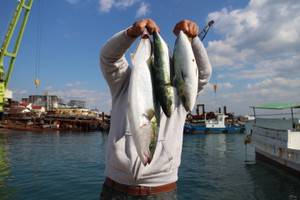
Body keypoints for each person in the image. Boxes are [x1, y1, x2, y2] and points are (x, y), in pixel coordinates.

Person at [99, 19, 212, 200]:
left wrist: (194, 39)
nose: (156, 65)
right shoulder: (124, 82)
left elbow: (203, 74)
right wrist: (132, 33)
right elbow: (108, 58)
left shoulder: (182, 95)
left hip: (161, 191)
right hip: (115, 188)